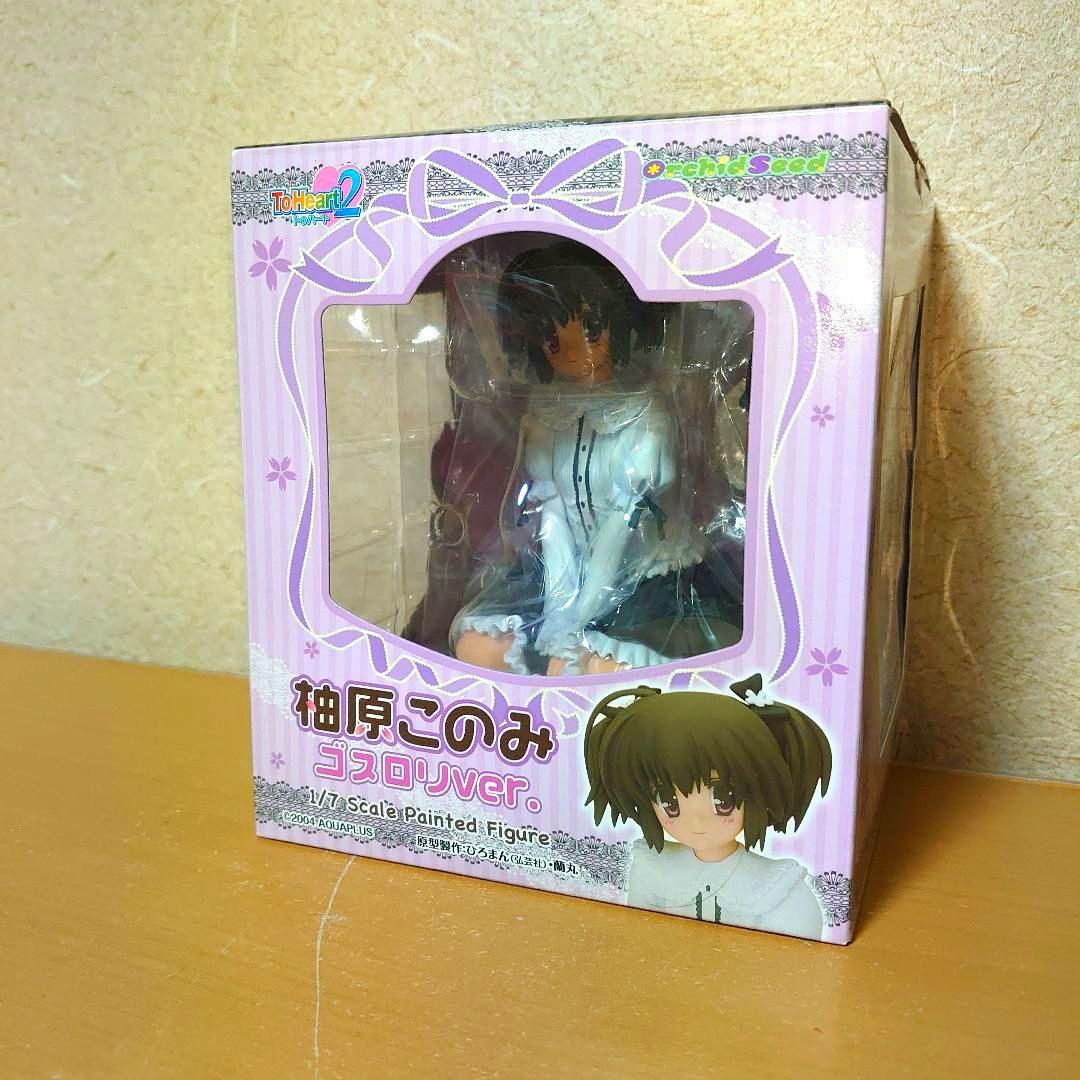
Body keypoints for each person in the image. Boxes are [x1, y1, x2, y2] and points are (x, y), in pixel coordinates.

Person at [450, 239, 742, 676]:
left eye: (590, 331)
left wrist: (580, 618)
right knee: (479, 647)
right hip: (565, 571)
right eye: (553, 340)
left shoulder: (646, 415)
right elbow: (553, 518)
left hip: (641, 575)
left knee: (591, 668)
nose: (574, 353)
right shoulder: (547, 412)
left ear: (620, 321)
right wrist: (558, 609)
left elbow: (619, 530)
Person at [583, 675, 832, 939]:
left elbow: (796, 940)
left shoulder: (775, 887)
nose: (697, 823)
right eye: (669, 802)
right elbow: (640, 931)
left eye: (722, 800)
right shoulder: (653, 869)